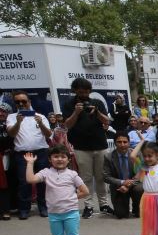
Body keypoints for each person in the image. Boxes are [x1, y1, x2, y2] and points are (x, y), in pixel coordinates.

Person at [24, 146, 89, 235]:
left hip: (71, 213)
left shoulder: (72, 174)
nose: (60, 159)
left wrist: (72, 197)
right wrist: (30, 163)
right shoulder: (46, 173)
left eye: (63, 157)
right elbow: (30, 179)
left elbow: (85, 191)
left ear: (68, 160)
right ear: (50, 159)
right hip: (54, 214)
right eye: (56, 156)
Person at [62, 77, 113, 218]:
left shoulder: (97, 103)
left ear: (90, 90)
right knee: (86, 178)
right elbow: (67, 125)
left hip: (100, 145)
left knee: (101, 177)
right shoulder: (68, 104)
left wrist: (97, 112)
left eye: (86, 91)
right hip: (81, 147)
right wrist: (76, 112)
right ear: (75, 91)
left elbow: (106, 121)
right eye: (80, 91)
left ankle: (104, 204)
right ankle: (88, 206)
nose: (83, 94)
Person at [7, 90, 52, 219]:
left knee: (42, 181)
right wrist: (18, 122)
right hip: (22, 154)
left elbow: (49, 135)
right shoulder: (12, 117)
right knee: (24, 182)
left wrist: (41, 123)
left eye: (24, 101)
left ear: (29, 102)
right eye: (18, 102)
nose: (21, 104)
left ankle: (43, 207)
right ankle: (24, 209)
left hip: (41, 153)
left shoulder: (40, 116)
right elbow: (11, 134)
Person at [103, 133, 142, 219]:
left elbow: (140, 173)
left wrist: (128, 184)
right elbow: (106, 177)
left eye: (125, 142)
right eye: (119, 142)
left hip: (134, 184)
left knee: (140, 189)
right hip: (118, 187)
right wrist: (122, 182)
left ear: (129, 143)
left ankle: (137, 208)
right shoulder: (108, 157)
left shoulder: (136, 154)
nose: (122, 145)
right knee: (121, 214)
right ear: (115, 143)